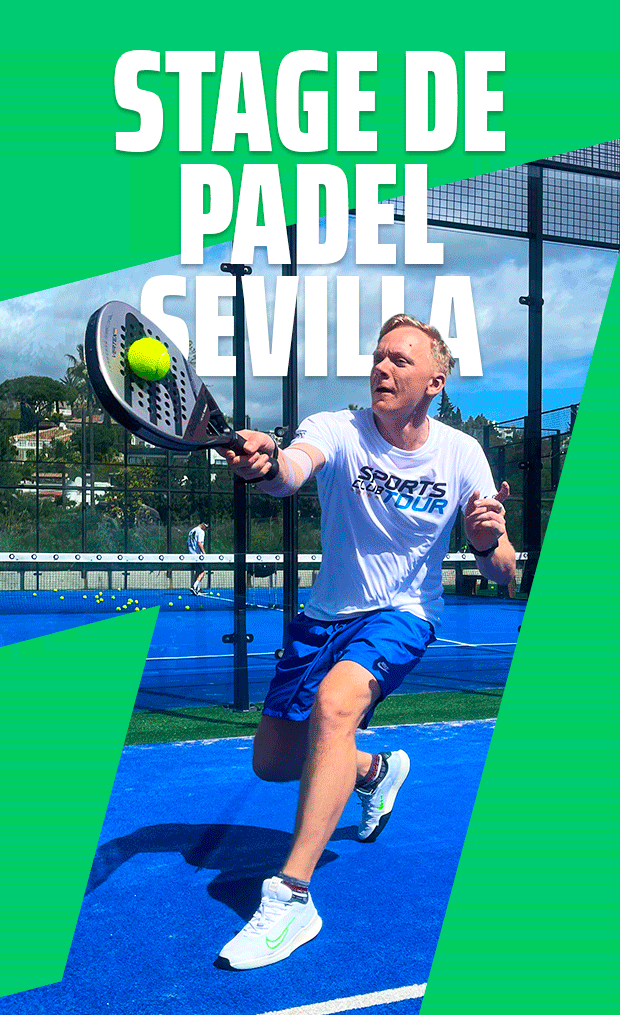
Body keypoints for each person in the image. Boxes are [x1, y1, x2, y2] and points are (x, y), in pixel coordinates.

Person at [217, 314, 516, 971]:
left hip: (403, 614)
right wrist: (266, 463)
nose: (382, 367)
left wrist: (488, 539)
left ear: (434, 382)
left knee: (337, 703)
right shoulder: (337, 428)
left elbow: (506, 572)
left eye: (400, 360)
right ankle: (375, 771)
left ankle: (292, 895)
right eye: (379, 356)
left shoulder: (462, 453)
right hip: (323, 618)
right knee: (273, 762)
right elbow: (289, 470)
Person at [187, 522, 208, 595]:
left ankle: (197, 589)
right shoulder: (201, 532)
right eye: (206, 527)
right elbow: (199, 543)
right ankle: (194, 586)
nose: (206, 529)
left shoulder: (191, 531)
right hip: (198, 556)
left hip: (191, 555)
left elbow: (188, 543)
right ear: (203, 524)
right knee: (202, 572)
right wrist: (204, 553)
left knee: (198, 571)